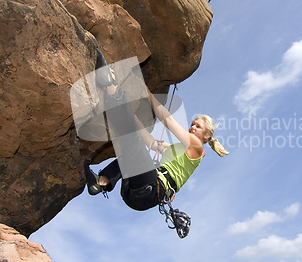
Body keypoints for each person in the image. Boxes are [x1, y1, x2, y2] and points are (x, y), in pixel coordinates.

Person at [84, 49, 229, 214]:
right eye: (193, 124)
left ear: (207, 135)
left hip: (152, 188)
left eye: (198, 126)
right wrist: (131, 115)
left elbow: (167, 120)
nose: (192, 127)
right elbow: (150, 142)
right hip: (136, 194)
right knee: (132, 150)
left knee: (133, 144)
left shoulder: (197, 147)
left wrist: (147, 92)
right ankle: (101, 182)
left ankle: (109, 83)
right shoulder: (173, 150)